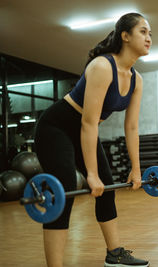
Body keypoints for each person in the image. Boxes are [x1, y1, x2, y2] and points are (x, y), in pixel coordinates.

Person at [34, 13, 151, 267]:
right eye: (143, 31)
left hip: (84, 129)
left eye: (150, 33)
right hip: (57, 127)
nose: (149, 38)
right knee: (64, 190)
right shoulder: (101, 66)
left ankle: (114, 253)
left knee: (106, 190)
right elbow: (87, 123)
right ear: (125, 35)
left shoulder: (137, 80)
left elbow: (131, 127)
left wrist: (136, 169)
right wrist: (91, 174)